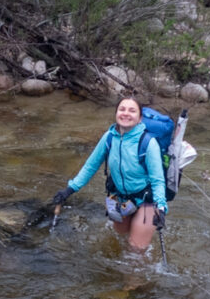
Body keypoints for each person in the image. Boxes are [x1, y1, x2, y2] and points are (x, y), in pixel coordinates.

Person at [51, 97, 167, 252]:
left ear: (140, 118)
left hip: (146, 200)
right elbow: (90, 166)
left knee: (136, 250)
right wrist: (70, 189)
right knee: (119, 238)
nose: (126, 113)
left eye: (132, 110)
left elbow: (158, 180)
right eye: (122, 109)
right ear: (116, 113)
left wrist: (161, 208)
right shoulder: (109, 137)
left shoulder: (148, 143)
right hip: (120, 197)